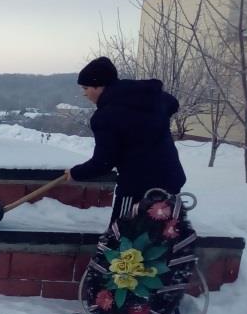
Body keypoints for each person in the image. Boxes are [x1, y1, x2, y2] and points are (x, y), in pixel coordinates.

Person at [66, 56, 186, 225]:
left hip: (137, 189)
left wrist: (75, 173)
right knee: (163, 238)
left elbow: (104, 162)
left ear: (100, 86)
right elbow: (173, 103)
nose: (84, 93)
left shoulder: (105, 117)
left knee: (122, 238)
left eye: (86, 87)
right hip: (171, 180)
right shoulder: (151, 97)